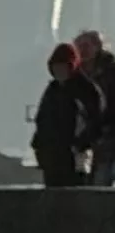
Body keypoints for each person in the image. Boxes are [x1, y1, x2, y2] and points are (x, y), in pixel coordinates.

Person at [32, 43, 102, 188]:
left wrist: (80, 144)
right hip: (52, 156)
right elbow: (42, 119)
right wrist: (38, 145)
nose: (59, 72)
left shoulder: (86, 90)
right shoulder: (52, 90)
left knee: (76, 195)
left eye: (63, 67)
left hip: (75, 155)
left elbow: (95, 122)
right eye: (56, 68)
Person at [74, 30, 115, 185]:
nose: (83, 51)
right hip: (87, 136)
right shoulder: (76, 75)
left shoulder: (110, 72)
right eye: (79, 47)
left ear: (98, 47)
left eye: (86, 46)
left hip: (108, 135)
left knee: (102, 179)